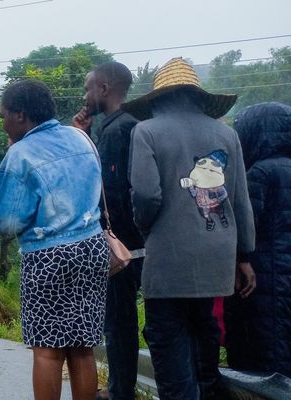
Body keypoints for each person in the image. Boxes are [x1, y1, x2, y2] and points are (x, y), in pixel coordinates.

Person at [123, 57, 255, 399]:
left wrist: (147, 229)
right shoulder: (227, 133)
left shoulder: (146, 131)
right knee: (204, 340)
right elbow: (240, 201)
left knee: (169, 346)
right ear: (198, 96)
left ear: (158, 99)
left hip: (168, 261)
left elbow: (147, 195)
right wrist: (244, 257)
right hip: (218, 259)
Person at [0, 79, 109, 400]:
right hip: (93, 248)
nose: (2, 123)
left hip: (48, 256)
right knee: (82, 348)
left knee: (47, 351)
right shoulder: (81, 138)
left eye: (3, 116)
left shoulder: (21, 154)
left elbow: (6, 221)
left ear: (20, 115)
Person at [74, 61, 147, 400]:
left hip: (123, 243)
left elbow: (111, 190)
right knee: (122, 320)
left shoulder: (120, 130)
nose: (85, 95)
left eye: (89, 87)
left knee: (119, 321)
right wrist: (86, 137)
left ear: (104, 89)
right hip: (137, 241)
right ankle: (121, 389)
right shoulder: (119, 126)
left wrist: (105, 231)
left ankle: (121, 392)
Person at [226, 102, 290, 378]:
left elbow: (243, 224)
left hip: (262, 274)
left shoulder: (259, 174)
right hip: (284, 270)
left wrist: (241, 260)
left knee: (264, 342)